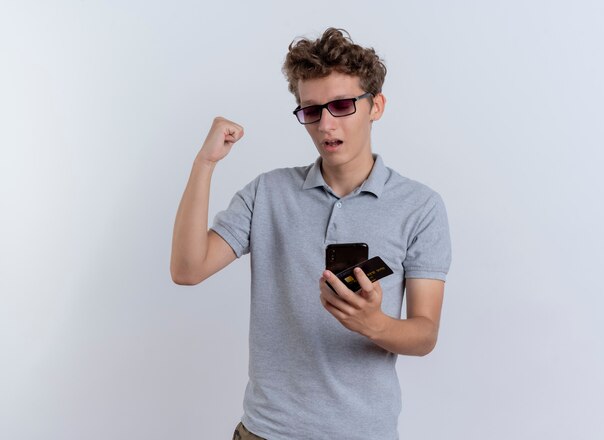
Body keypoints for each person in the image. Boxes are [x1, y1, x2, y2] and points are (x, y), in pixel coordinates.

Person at [171, 28, 452, 440]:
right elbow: (187, 268)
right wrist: (205, 162)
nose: (326, 124)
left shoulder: (420, 206)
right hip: (265, 432)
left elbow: (424, 334)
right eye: (312, 110)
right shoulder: (268, 192)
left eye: (341, 106)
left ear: (376, 106)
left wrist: (373, 323)